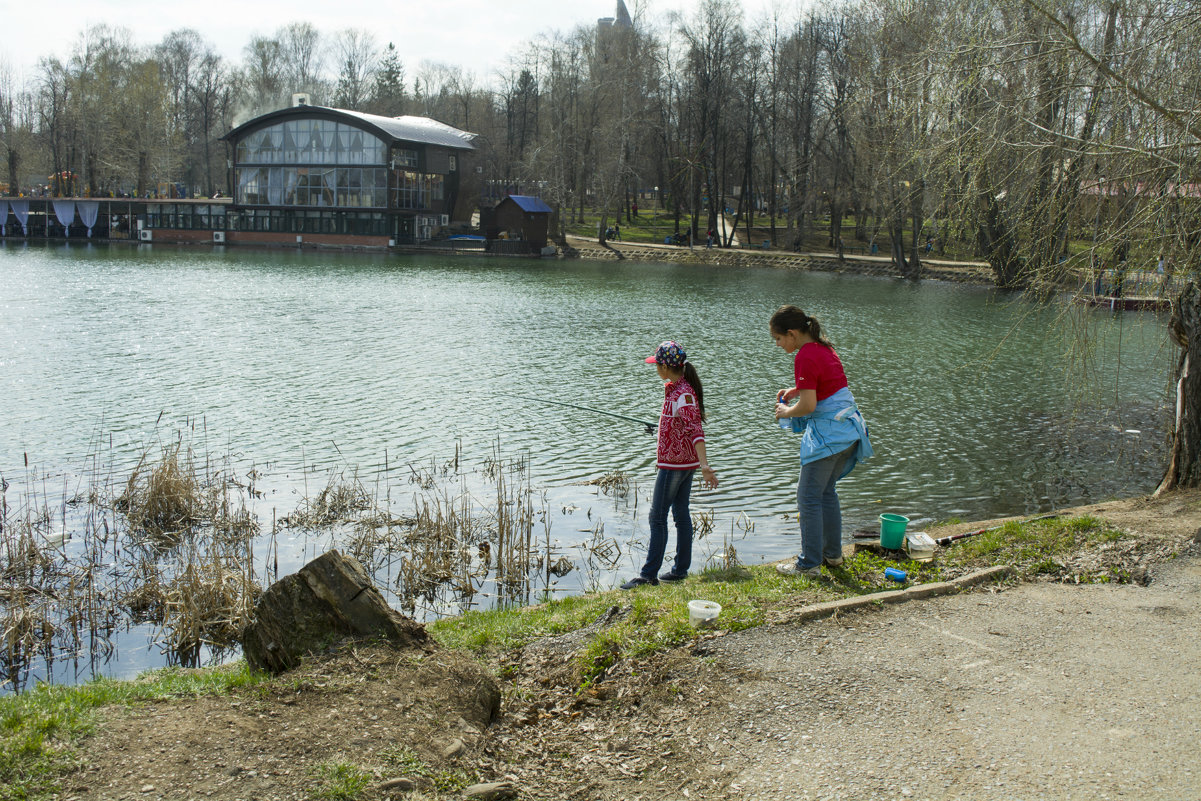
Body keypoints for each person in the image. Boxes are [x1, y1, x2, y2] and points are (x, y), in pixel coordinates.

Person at [770, 305, 873, 578]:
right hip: (850, 432)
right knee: (826, 494)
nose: (778, 345)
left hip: (831, 437)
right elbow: (828, 385)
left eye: (779, 339)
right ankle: (833, 555)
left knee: (808, 498)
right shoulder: (823, 348)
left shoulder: (804, 355)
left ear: (792, 333)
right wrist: (796, 390)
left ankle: (809, 564)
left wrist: (786, 411)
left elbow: (809, 405)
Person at [621, 341, 718, 589]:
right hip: (685, 464)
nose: (655, 369)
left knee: (658, 517)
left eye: (657, 365)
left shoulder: (682, 394)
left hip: (675, 466)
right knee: (680, 515)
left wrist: (706, 466)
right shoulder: (678, 389)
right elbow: (682, 426)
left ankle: (648, 575)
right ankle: (680, 570)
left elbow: (695, 430)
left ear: (665, 367)